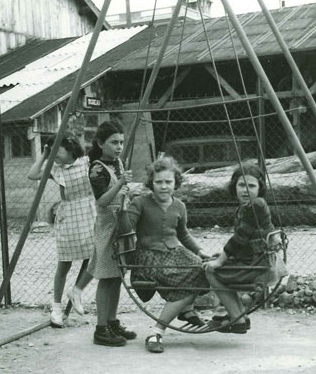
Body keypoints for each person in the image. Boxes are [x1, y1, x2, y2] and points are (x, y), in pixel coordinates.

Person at [127, 156, 210, 354]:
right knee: (187, 280)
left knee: (204, 268)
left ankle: (186, 311)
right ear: (151, 183)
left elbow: (183, 234)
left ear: (176, 183)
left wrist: (199, 251)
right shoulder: (140, 203)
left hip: (175, 252)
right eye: (159, 182)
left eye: (168, 182)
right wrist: (126, 209)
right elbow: (126, 227)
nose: (164, 187)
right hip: (149, 256)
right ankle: (157, 331)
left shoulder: (179, 205)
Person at [203, 160, 287, 333]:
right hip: (255, 260)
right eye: (241, 185)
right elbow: (246, 240)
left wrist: (220, 261)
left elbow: (239, 239)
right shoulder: (247, 206)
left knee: (211, 271)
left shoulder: (256, 205)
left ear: (260, 188)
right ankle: (238, 314)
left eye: (251, 185)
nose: (245, 190)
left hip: (258, 266)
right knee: (213, 261)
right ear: (234, 186)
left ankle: (237, 318)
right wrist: (222, 256)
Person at [28, 134, 96, 328]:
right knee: (64, 264)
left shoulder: (86, 162)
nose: (54, 156)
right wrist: (44, 155)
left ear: (70, 148)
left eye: (57, 151)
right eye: (52, 152)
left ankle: (77, 291)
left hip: (89, 212)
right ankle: (56, 308)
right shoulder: (55, 169)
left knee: (94, 256)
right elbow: (32, 174)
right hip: (69, 216)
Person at [81, 120, 136, 347]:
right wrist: (121, 183)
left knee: (117, 277)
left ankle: (112, 321)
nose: (119, 146)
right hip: (107, 227)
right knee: (106, 278)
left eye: (121, 142)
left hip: (121, 224)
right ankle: (101, 328)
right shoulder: (97, 168)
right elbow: (102, 201)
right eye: (114, 142)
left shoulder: (118, 163)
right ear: (101, 143)